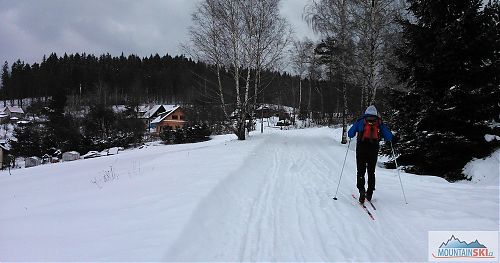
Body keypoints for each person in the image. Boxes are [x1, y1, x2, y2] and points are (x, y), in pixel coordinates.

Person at [348, 105, 393, 204]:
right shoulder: (379, 123)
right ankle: (370, 192)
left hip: (361, 149)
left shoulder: (361, 121)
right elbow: (389, 136)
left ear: (366, 112)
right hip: (373, 150)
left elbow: (350, 134)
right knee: (371, 171)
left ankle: (361, 190)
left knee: (360, 171)